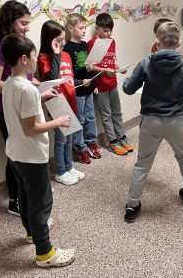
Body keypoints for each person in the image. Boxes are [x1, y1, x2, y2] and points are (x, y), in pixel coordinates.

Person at [1, 34, 75, 267]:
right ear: (24, 58)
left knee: (25, 196)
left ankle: (32, 232)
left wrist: (41, 95)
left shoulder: (10, 83)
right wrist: (59, 121)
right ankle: (45, 253)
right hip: (32, 155)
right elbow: (31, 128)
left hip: (15, 153)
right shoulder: (28, 90)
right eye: (34, 55)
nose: (35, 59)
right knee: (41, 202)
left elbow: (20, 108)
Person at [122, 22, 183, 222]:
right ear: (179, 43)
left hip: (150, 122)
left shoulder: (146, 62)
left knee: (142, 164)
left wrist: (125, 80)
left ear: (156, 42)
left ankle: (132, 205)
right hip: (175, 120)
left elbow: (129, 88)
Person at [0, 0, 40, 216]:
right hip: (7, 110)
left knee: (25, 152)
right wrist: (24, 85)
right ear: (10, 22)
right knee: (15, 154)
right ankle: (14, 200)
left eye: (28, 23)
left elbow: (24, 74)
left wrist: (33, 83)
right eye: (23, 23)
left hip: (24, 106)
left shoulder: (21, 46)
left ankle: (27, 191)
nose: (27, 27)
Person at [38, 20, 84, 185]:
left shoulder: (66, 55)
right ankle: (60, 171)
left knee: (69, 138)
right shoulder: (45, 57)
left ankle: (69, 166)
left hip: (70, 101)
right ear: (50, 40)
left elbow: (68, 79)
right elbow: (53, 80)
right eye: (59, 40)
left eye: (64, 39)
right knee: (61, 139)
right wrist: (56, 54)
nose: (63, 43)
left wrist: (80, 82)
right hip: (57, 103)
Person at [87, 13, 134, 156]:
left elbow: (111, 60)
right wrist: (104, 70)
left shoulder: (112, 41)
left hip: (113, 82)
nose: (108, 34)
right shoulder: (91, 44)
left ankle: (122, 137)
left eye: (110, 31)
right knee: (106, 115)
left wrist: (120, 68)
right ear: (97, 28)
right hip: (100, 86)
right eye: (105, 31)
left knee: (117, 112)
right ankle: (112, 141)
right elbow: (90, 66)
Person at [63, 13, 101, 164]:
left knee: (90, 117)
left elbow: (87, 68)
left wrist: (93, 81)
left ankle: (91, 142)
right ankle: (80, 148)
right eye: (81, 28)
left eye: (85, 27)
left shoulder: (84, 45)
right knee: (80, 119)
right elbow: (70, 73)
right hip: (78, 89)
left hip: (89, 88)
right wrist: (81, 79)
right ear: (71, 28)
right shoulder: (67, 48)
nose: (84, 30)